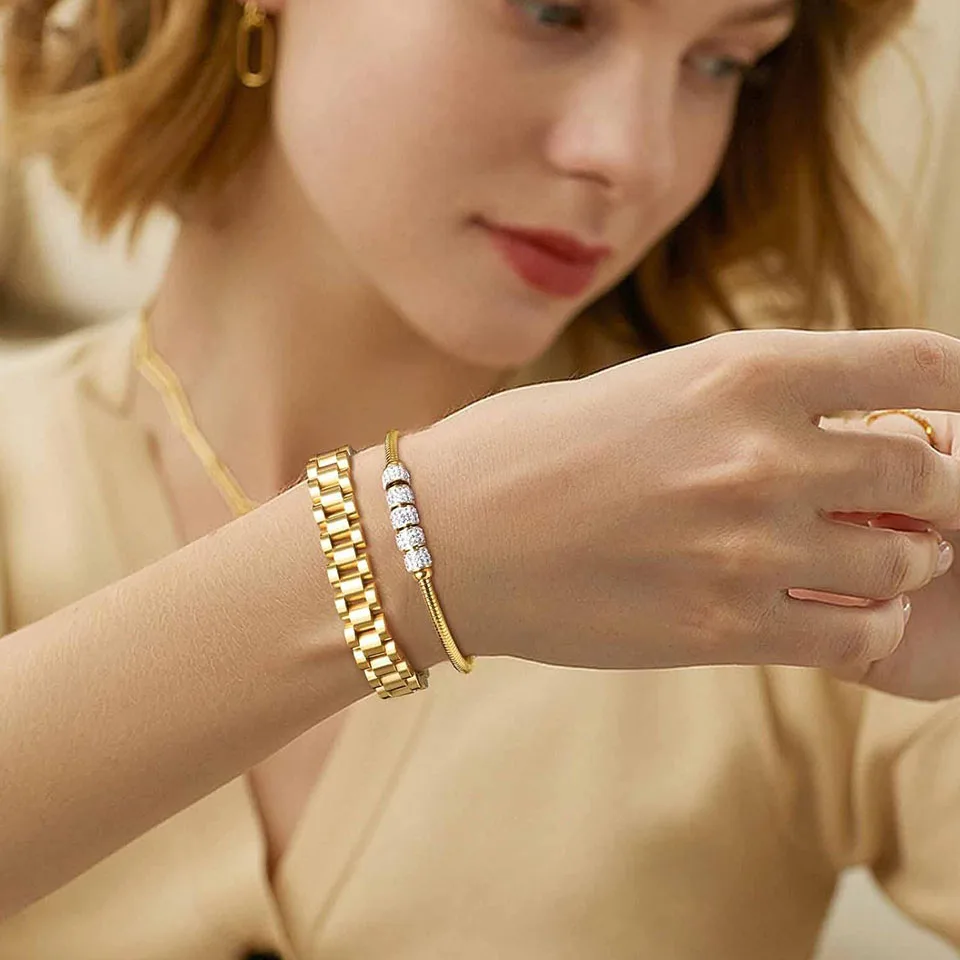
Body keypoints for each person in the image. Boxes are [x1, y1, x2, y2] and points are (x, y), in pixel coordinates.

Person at [1, 0, 960, 956]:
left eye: (722, 64)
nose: (634, 157)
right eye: (554, 15)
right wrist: (413, 548)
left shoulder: (787, 527)